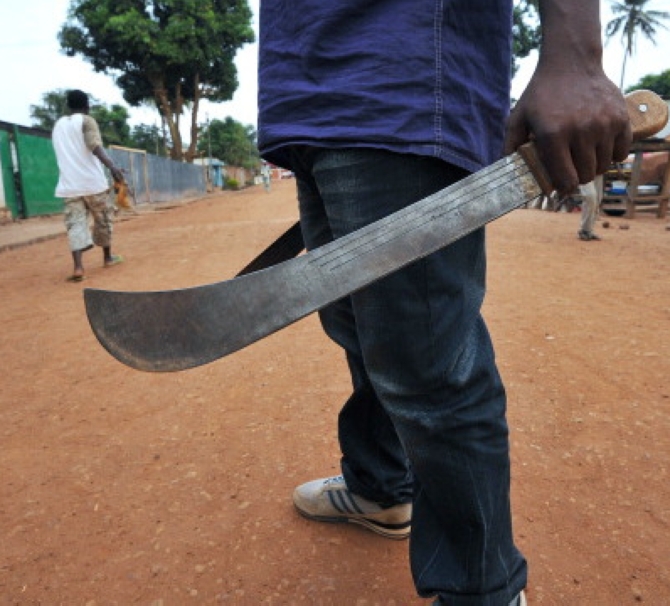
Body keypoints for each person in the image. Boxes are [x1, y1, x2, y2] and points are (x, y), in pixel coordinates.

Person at [257, 1, 631, 604]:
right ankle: (380, 488)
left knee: (429, 365)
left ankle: (481, 591)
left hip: (401, 83)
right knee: (361, 327)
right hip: (308, 102)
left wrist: (577, 55)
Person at [51, 89, 125, 282]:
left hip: (69, 185)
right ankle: (108, 257)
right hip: (93, 184)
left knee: (74, 224)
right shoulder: (86, 120)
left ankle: (78, 268)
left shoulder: (58, 125)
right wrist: (113, 167)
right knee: (103, 219)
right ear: (87, 106)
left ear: (68, 105)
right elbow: (95, 146)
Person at [578, 176, 605, 241]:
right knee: (590, 196)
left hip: (598, 170)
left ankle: (588, 229)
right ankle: (585, 230)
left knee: (598, 198)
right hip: (584, 170)